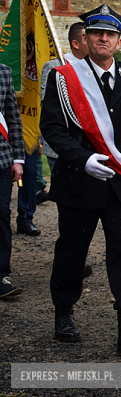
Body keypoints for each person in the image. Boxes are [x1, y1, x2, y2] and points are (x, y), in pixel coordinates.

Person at [41, 3, 121, 354]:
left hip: (119, 182)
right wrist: (83, 158)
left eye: (110, 34)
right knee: (72, 250)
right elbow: (52, 128)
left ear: (118, 40)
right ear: (86, 38)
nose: (103, 39)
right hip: (80, 180)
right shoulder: (65, 77)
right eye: (97, 33)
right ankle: (63, 312)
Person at [40, 22, 93, 280]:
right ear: (76, 42)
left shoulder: (94, 69)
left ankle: (79, 251)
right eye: (88, 37)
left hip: (91, 148)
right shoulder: (56, 68)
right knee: (68, 204)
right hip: (60, 149)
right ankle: (73, 255)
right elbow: (47, 108)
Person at [0, 63, 26, 298]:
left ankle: (0, 275)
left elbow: (12, 116)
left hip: (1, 158)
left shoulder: (4, 71)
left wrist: (18, 157)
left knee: (1, 214)